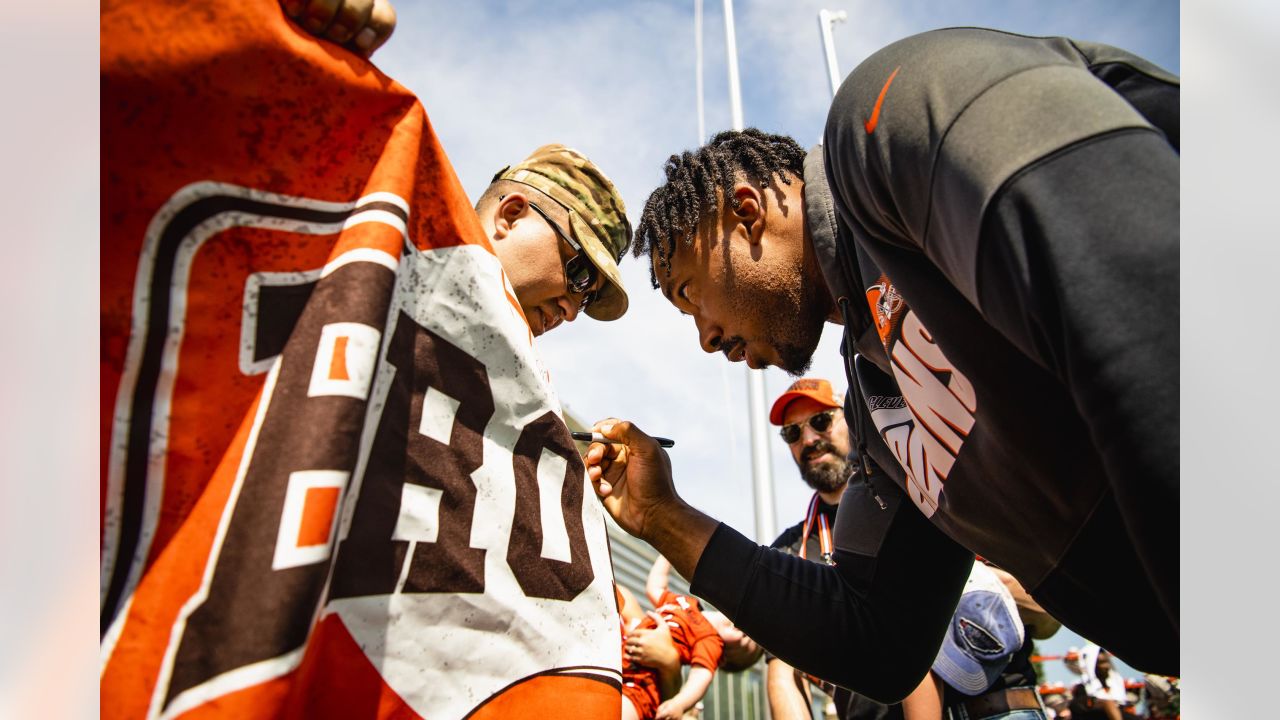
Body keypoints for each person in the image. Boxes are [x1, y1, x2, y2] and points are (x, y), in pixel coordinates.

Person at [585, 26, 1178, 705]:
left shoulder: (878, 128)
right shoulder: (878, 400)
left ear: (742, 212)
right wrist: (664, 517)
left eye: (690, 293)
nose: (704, 337)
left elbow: (1143, 283)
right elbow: (875, 637)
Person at [619, 556, 762, 720]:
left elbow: (700, 677)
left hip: (642, 686)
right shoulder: (686, 603)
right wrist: (668, 550)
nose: (740, 629)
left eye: (743, 637)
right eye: (746, 627)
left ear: (721, 658)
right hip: (621, 656)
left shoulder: (709, 640)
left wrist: (680, 703)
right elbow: (655, 587)